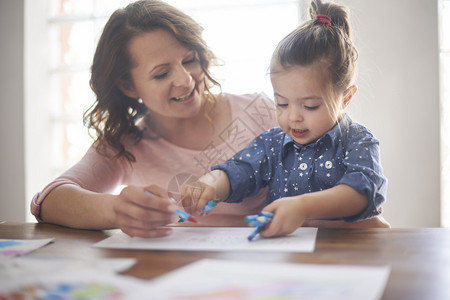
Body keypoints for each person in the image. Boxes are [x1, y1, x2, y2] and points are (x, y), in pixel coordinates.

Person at [31, 0, 278, 238]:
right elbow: (49, 201)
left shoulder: (258, 112)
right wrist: (117, 210)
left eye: (189, 60)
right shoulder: (126, 144)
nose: (185, 80)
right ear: (128, 86)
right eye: (161, 74)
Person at [181, 0, 389, 238]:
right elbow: (239, 170)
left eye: (310, 106)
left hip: (351, 249)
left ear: (346, 98)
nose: (293, 117)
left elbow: (361, 192)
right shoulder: (272, 144)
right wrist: (209, 184)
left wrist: (303, 207)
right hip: (290, 253)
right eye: (282, 103)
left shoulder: (358, 140)